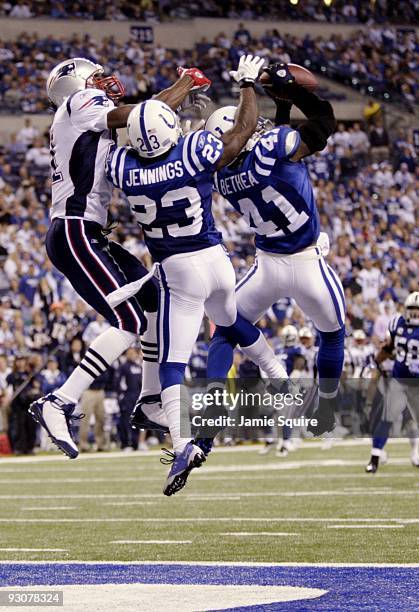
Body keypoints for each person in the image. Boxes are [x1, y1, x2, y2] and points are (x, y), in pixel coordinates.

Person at [106, 55, 290, 495]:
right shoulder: (195, 150)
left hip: (178, 271)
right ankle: (273, 366)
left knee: (171, 364)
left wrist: (166, 102)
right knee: (228, 322)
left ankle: (183, 442)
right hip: (216, 260)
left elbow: (131, 129)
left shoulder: (122, 168)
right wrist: (246, 86)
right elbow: (242, 131)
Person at [29, 57, 210, 459]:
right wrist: (184, 84)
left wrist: (177, 92)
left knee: (152, 305)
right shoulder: (78, 104)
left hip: (87, 231)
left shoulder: (88, 117)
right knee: (127, 320)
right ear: (76, 83)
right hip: (75, 229)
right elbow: (144, 114)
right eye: (94, 76)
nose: (103, 81)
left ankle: (149, 401)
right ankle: (58, 401)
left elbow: (147, 117)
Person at [205, 62, 345, 436]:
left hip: (267, 266)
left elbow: (261, 141)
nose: (253, 124)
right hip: (307, 263)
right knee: (332, 333)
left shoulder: (221, 175)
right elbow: (323, 121)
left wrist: (278, 107)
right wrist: (295, 93)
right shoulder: (271, 147)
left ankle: (215, 397)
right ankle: (327, 407)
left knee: (224, 330)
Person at [365, 292, 419, 473]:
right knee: (387, 416)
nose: (416, 313)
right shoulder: (397, 324)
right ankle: (374, 459)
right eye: (412, 309)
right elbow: (389, 348)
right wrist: (376, 362)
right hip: (399, 380)